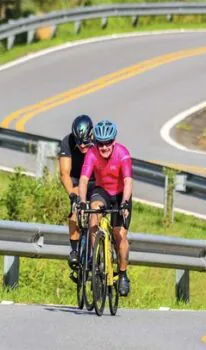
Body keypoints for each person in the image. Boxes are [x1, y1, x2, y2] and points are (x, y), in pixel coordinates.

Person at [78, 120, 133, 297]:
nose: (104, 147)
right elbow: (84, 180)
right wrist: (81, 202)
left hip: (120, 194)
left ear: (113, 142)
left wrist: (124, 202)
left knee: (119, 235)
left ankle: (123, 275)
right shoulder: (92, 154)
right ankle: (96, 260)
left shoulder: (123, 153)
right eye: (100, 143)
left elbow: (128, 181)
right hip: (102, 192)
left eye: (108, 142)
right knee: (94, 212)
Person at [58, 114, 95, 267]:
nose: (82, 147)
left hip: (94, 178)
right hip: (76, 179)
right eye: (79, 143)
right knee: (75, 212)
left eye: (86, 143)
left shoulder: (99, 142)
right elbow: (64, 173)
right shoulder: (67, 142)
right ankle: (74, 250)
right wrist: (72, 194)